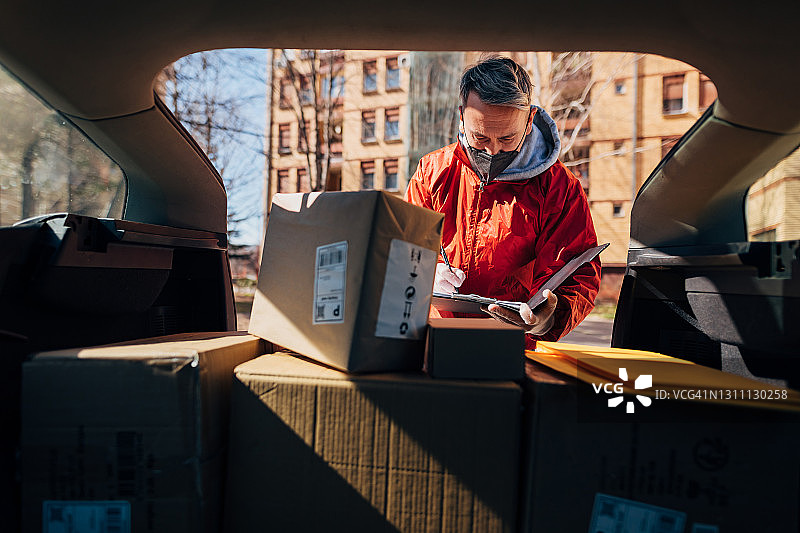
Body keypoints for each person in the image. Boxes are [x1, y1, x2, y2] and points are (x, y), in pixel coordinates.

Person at [405, 55, 601, 347]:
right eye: (480, 138)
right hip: (430, 338)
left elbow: (578, 273)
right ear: (462, 115)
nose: (494, 152)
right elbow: (401, 248)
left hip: (510, 348)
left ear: (529, 119)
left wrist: (551, 317)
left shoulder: (559, 188)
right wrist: (424, 274)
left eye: (508, 139)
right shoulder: (432, 172)